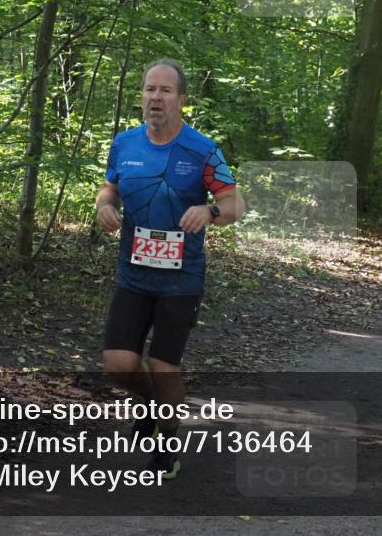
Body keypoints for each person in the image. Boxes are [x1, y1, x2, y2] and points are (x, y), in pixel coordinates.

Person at [95, 58, 245, 479]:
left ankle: (167, 440)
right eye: (149, 89)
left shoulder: (202, 150)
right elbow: (109, 187)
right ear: (141, 96)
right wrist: (106, 206)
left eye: (164, 91)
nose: (155, 98)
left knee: (164, 368)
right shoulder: (125, 144)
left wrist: (209, 209)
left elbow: (235, 205)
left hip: (182, 276)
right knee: (119, 365)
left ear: (181, 99)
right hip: (133, 272)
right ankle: (148, 406)